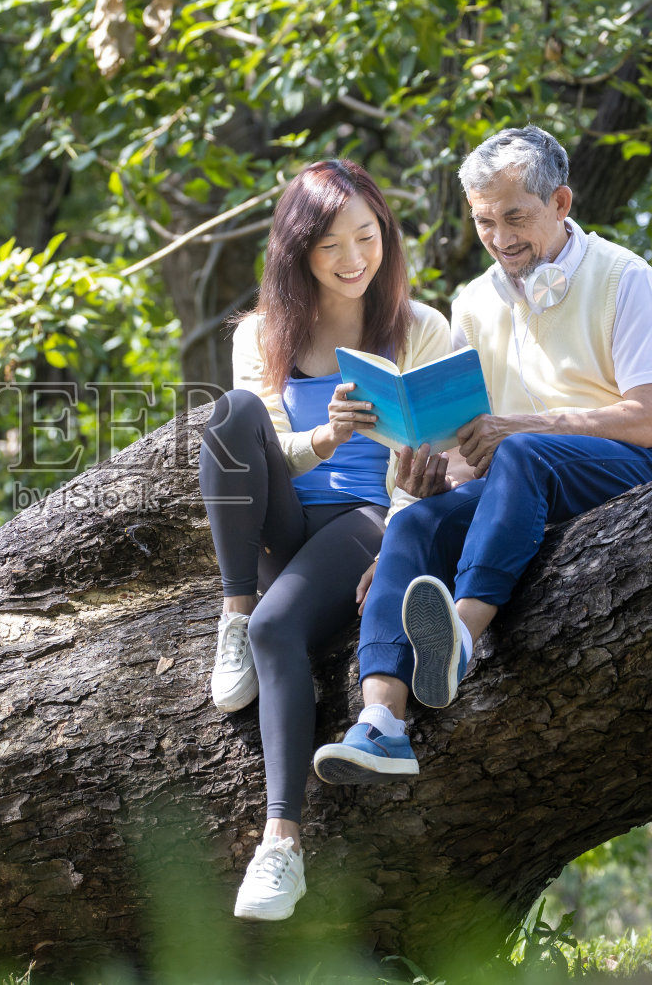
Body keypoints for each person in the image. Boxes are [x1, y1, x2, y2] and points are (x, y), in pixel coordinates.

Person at [311, 125, 652, 786]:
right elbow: (468, 447)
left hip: (635, 464)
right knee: (414, 525)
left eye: (516, 216)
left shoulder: (626, 277)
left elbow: (648, 417)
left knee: (522, 453)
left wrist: (518, 428)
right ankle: (382, 724)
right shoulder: (474, 303)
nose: (501, 236)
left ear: (562, 202)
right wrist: (428, 481)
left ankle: (459, 632)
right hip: (527, 479)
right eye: (485, 221)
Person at [198, 159, 454, 921]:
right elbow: (266, 448)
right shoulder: (262, 333)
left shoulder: (421, 327)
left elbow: (426, 464)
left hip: (363, 521)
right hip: (282, 518)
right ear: (297, 251)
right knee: (229, 415)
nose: (353, 260)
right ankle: (234, 609)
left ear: (386, 237)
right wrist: (324, 434)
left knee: (286, 629)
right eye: (331, 245)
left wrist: (398, 543)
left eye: (367, 238)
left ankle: (282, 842)